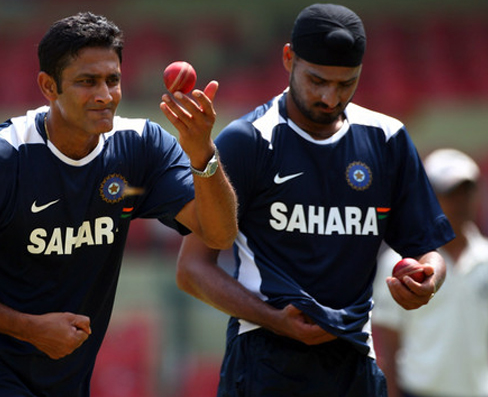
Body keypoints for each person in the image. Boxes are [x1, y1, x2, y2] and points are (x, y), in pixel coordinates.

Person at [0, 12, 237, 397]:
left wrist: (203, 153)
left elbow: (219, 233)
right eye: (87, 82)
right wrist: (28, 327)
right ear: (48, 86)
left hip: (64, 372)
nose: (105, 95)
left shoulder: (141, 147)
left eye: (113, 80)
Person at [175, 4, 454, 397]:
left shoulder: (387, 139)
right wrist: (275, 319)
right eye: (317, 80)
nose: (329, 96)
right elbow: (191, 270)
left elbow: (429, 250)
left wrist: (427, 280)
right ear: (289, 58)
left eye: (346, 84)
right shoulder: (248, 140)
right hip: (263, 360)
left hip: (355, 361)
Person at [372, 148, 488, 397]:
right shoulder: (398, 262)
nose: (460, 202)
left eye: (466, 191)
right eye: (449, 194)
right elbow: (389, 347)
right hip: (417, 391)